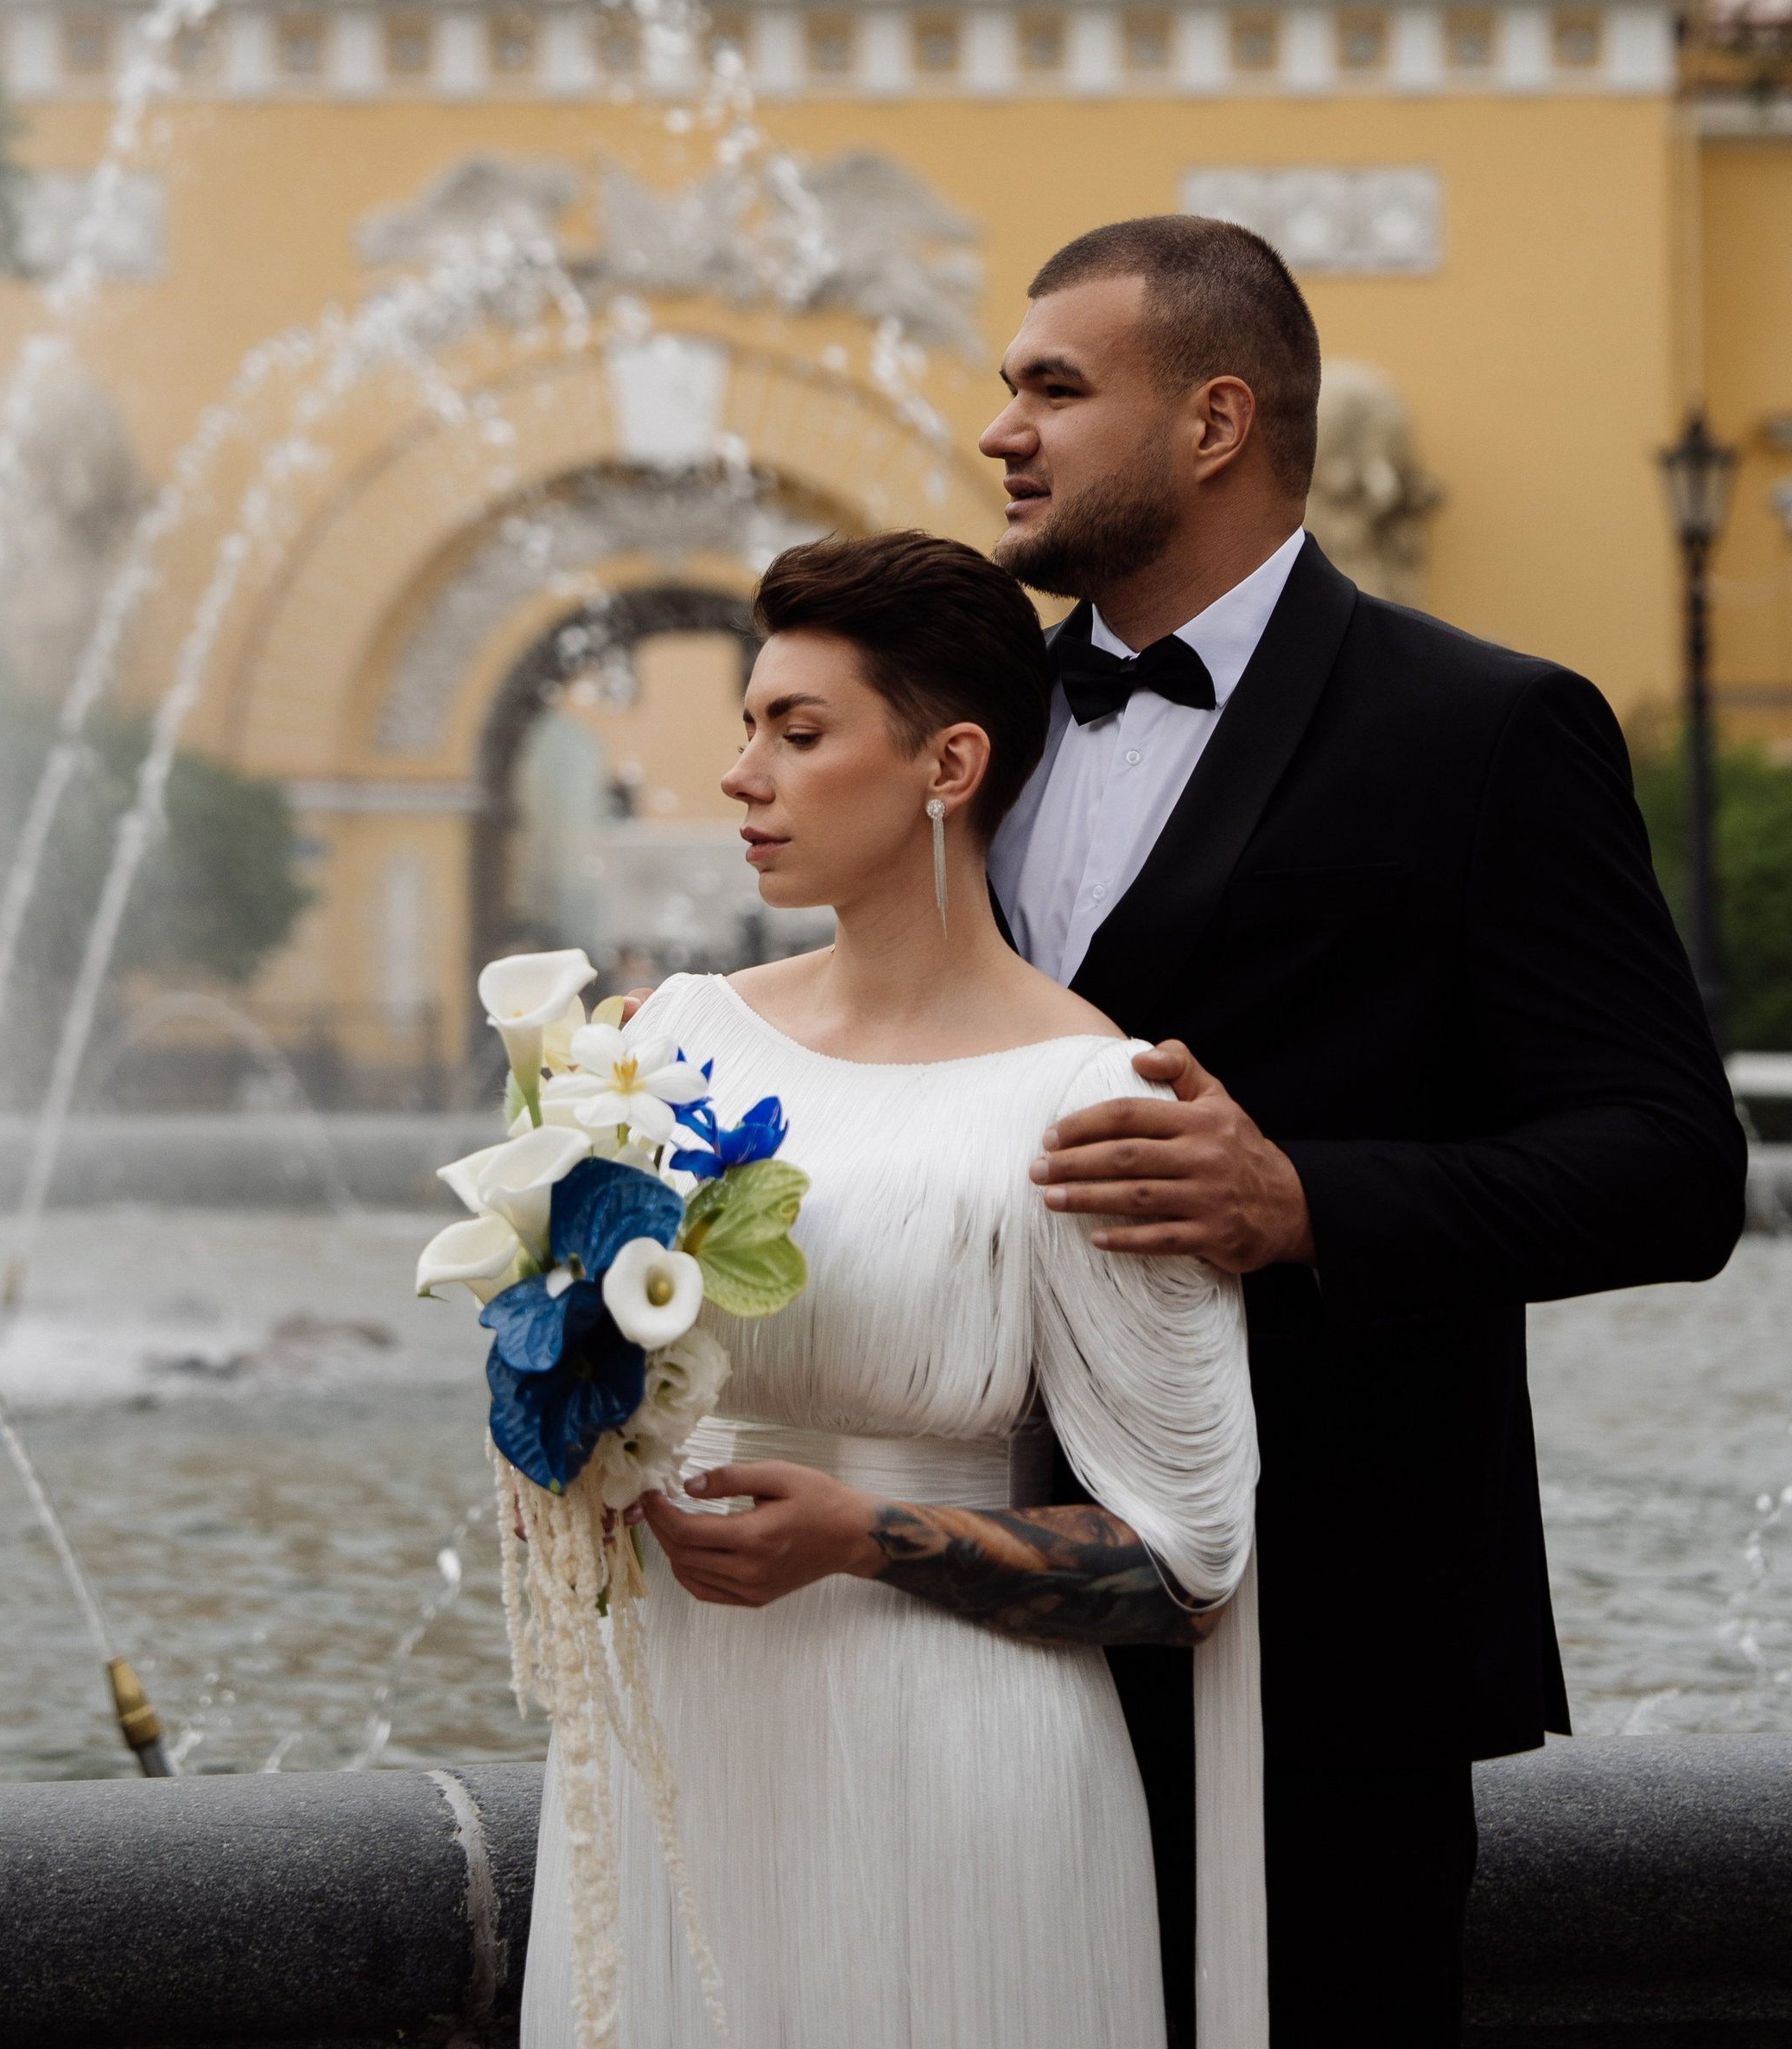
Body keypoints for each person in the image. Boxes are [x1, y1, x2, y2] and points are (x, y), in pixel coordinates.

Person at [976, 213, 1748, 2047]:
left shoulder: (1482, 732)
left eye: (1051, 389)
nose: (1000, 429)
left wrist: (1299, 1200)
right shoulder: (967, 727)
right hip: (963, 1619)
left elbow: (1669, 1165)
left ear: (1214, 420)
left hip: (1321, 1645)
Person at [523, 528, 1269, 2049]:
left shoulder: (1090, 1095)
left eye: (799, 734)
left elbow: (1184, 1565)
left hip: (959, 1774)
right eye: (747, 728)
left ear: (949, 766)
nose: (744, 774)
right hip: (680, 1739)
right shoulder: (665, 1038)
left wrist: (866, 1534)